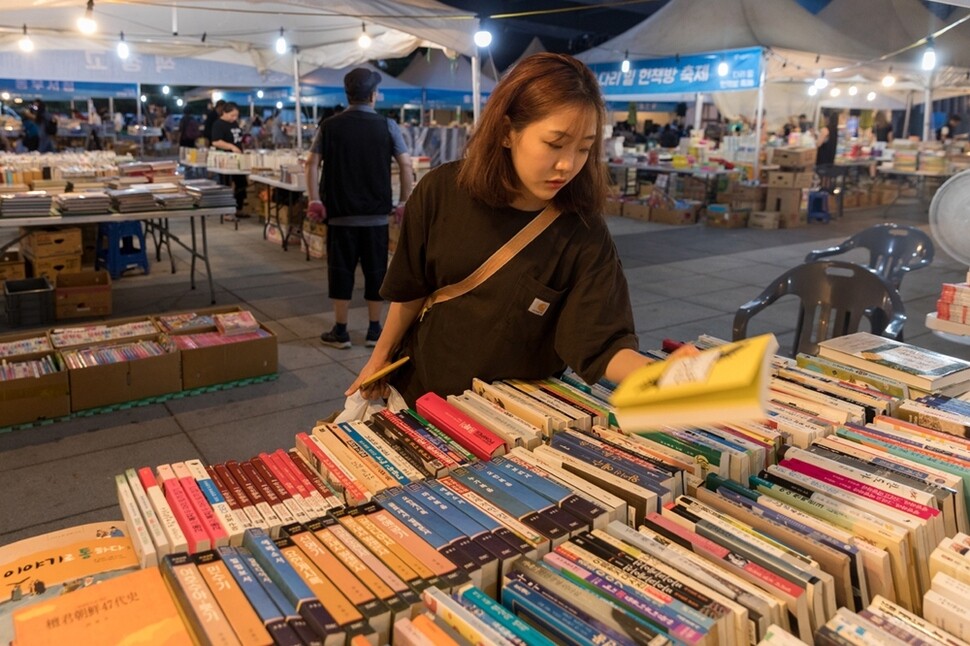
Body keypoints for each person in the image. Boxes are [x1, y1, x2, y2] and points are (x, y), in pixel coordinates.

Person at [345, 53, 650, 406]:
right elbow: (411, 289)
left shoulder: (582, 229)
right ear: (507, 132)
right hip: (424, 395)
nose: (568, 165)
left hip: (514, 422)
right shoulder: (442, 190)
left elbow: (603, 341)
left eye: (584, 148)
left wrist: (661, 376)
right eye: (554, 144)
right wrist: (378, 357)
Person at [305, 68, 414, 350]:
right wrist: (403, 201)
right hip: (376, 216)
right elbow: (406, 164)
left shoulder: (329, 126)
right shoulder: (387, 126)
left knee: (340, 270)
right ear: (373, 96)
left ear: (347, 94)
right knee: (377, 271)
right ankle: (374, 330)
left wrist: (314, 199)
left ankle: (341, 331)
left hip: (340, 215)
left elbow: (312, 163)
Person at [209, 101, 248, 217]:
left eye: (236, 115)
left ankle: (239, 208)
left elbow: (238, 139)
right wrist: (231, 147)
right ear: (224, 113)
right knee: (226, 185)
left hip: (239, 159)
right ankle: (227, 211)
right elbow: (216, 141)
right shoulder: (218, 124)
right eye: (232, 115)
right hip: (226, 160)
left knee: (241, 183)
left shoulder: (234, 123)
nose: (234, 118)